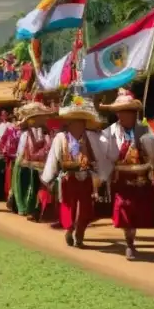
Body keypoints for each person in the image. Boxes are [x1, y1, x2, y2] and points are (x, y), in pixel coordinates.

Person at [40, 96, 105, 249]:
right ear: (69, 123)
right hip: (68, 178)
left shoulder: (90, 138)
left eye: (82, 122)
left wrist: (97, 171)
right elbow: (53, 158)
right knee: (69, 207)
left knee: (86, 208)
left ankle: (80, 234)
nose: (79, 125)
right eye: (76, 121)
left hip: (85, 178)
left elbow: (97, 158)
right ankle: (69, 229)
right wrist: (48, 178)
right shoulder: (61, 138)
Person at [100, 89, 154, 260]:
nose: (124, 116)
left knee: (137, 212)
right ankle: (129, 243)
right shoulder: (109, 133)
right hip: (121, 180)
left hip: (140, 179)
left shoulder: (145, 130)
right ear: (117, 114)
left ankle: (131, 239)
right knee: (124, 211)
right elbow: (104, 156)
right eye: (121, 112)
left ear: (134, 113)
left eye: (129, 112)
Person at [12, 103, 52, 219]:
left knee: (37, 187)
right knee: (30, 187)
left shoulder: (45, 132)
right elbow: (21, 149)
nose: (44, 119)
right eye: (41, 117)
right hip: (29, 165)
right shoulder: (29, 133)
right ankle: (31, 209)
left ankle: (37, 210)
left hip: (40, 165)